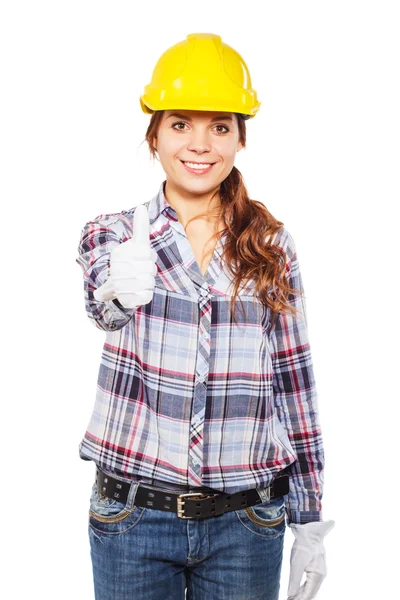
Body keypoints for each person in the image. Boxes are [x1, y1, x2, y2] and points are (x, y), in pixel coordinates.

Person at [76, 32, 335, 600]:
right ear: (154, 135)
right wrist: (121, 288)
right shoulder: (115, 234)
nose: (200, 144)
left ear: (241, 138)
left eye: (220, 126)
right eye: (180, 124)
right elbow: (104, 309)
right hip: (132, 521)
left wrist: (309, 517)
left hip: (246, 525)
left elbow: (294, 382)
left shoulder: (271, 246)